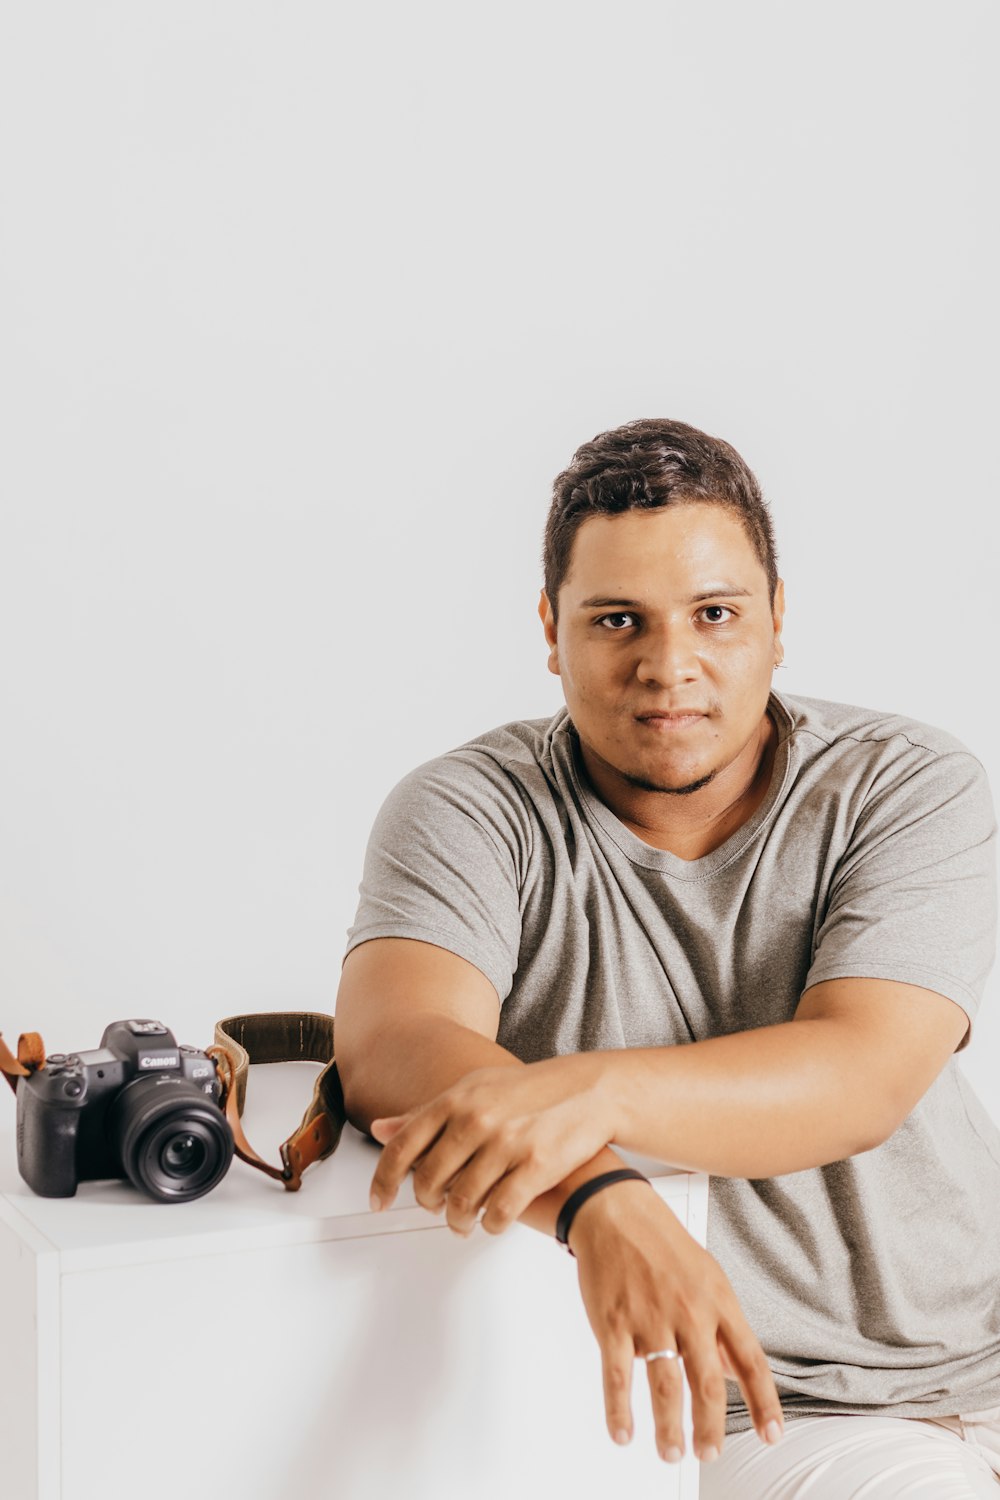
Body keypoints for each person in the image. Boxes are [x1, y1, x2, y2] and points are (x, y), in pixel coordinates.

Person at [334, 417, 1000, 1497]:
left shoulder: (902, 783)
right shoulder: (469, 811)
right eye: (616, 621)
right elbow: (395, 1045)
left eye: (715, 615)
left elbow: (863, 1072)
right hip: (775, 1410)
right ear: (550, 630)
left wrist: (579, 1100)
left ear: (778, 622)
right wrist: (603, 1197)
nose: (668, 667)